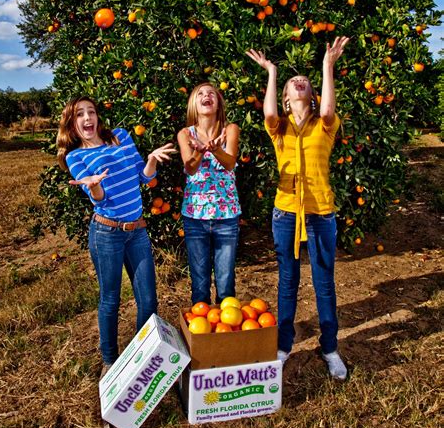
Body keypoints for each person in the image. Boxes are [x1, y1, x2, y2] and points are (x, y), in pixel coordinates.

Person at [246, 36, 350, 380]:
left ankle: (330, 347)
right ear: (289, 98)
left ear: (312, 93)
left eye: (302, 81)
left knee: (324, 281)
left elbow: (330, 109)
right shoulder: (280, 129)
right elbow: (270, 111)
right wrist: (273, 72)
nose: (298, 82)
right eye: (293, 84)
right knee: (288, 281)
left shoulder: (325, 125)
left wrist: (327, 65)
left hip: (321, 211)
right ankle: (283, 346)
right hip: (286, 211)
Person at [57, 96, 176, 375]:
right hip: (106, 233)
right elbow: (98, 197)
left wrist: (150, 161)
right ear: (72, 125)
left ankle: (140, 355)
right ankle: (109, 360)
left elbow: (143, 177)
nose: (87, 118)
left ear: (98, 117)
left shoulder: (121, 137)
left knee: (148, 299)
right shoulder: (76, 157)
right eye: (79, 115)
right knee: (111, 299)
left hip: (137, 231)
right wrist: (95, 186)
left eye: (91, 112)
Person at [177, 82, 241, 305]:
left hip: (226, 216)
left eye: (211, 93)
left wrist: (215, 149)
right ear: (194, 104)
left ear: (218, 103)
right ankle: (202, 337)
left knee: (225, 283)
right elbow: (190, 167)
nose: (207, 96)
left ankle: (226, 336)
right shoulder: (185, 134)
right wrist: (199, 150)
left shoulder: (229, 129)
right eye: (201, 94)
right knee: (199, 283)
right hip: (195, 217)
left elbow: (230, 163)